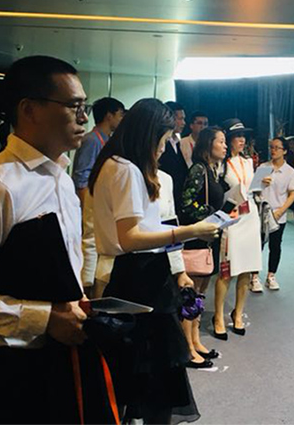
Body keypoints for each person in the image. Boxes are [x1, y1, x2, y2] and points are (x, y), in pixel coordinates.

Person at [0, 56, 94, 423]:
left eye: (84, 107)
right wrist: (44, 319)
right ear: (29, 109)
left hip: (59, 360)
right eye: (73, 106)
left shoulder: (62, 180)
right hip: (7, 375)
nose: (83, 118)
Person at [89, 98, 218, 423]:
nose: (162, 149)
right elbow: (131, 238)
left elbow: (143, 228)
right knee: (155, 380)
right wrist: (190, 231)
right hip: (139, 277)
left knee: (133, 375)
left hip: (133, 274)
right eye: (162, 140)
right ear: (148, 135)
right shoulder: (125, 169)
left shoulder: (114, 164)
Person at [178, 126, 228, 366]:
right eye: (221, 141)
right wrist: (211, 215)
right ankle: (187, 347)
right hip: (198, 237)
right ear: (209, 144)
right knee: (191, 295)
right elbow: (186, 204)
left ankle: (195, 340)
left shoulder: (212, 170)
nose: (225, 146)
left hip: (210, 236)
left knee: (199, 295)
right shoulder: (199, 169)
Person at [72, 97, 126, 295]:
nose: (121, 119)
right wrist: (88, 208)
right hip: (91, 206)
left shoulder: (106, 140)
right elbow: (81, 177)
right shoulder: (92, 140)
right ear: (109, 115)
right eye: (120, 115)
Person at [214, 118, 263, 328]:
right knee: (227, 269)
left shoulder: (248, 162)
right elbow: (217, 194)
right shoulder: (221, 164)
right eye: (237, 137)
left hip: (250, 215)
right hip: (232, 217)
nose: (242, 140)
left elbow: (253, 189)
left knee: (247, 267)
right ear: (229, 139)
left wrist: (262, 184)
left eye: (243, 136)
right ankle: (218, 315)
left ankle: (238, 313)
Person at [257, 137, 294, 290]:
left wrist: (281, 210)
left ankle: (271, 275)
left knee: (275, 246)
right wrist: (260, 182)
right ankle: (254, 276)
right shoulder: (263, 167)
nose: (273, 150)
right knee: (258, 245)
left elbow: (292, 193)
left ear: (285, 151)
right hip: (261, 213)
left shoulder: (290, 172)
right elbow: (253, 189)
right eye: (271, 147)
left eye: (277, 148)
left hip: (278, 214)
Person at [159, 101, 189, 213]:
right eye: (180, 119)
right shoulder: (161, 143)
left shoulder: (176, 142)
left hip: (177, 197)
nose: (183, 123)